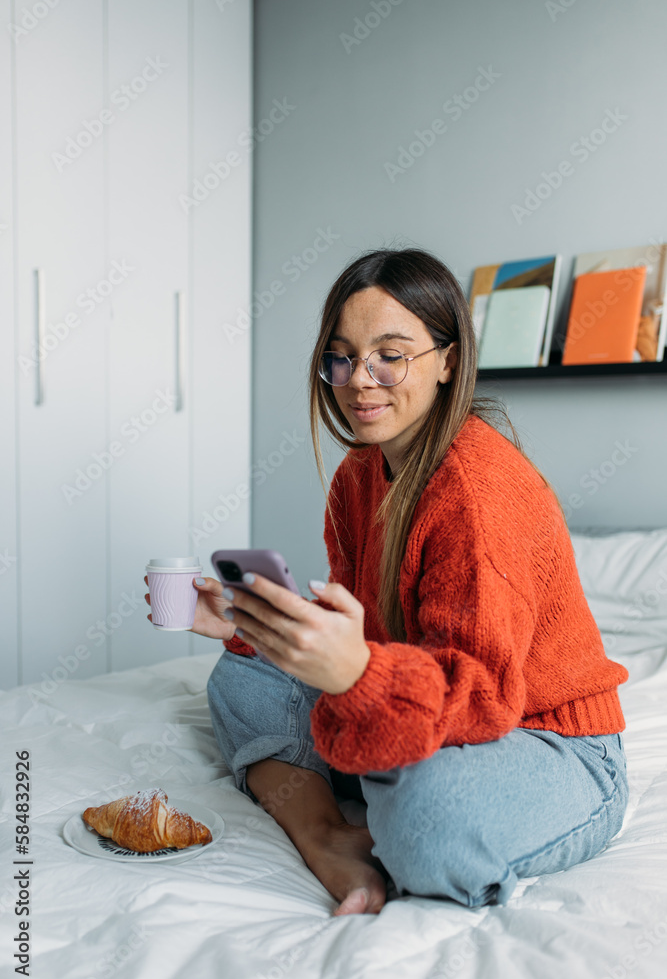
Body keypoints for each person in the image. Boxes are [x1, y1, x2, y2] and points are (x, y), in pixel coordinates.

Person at [146, 248, 629, 916]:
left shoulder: (479, 493)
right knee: (243, 679)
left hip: (544, 741)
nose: (358, 381)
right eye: (341, 357)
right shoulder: (358, 475)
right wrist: (251, 625)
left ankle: (378, 820)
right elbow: (369, 635)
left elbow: (485, 699)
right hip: (430, 704)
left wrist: (355, 678)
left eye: (390, 355)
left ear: (448, 361)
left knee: (429, 817)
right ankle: (327, 836)